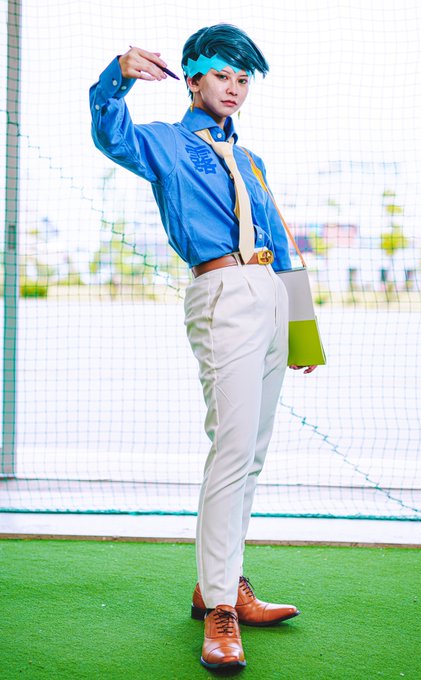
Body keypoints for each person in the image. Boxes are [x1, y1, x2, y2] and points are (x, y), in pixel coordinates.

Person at [90, 23, 317, 671]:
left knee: (252, 455)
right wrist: (117, 77)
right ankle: (220, 607)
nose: (234, 87)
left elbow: (278, 238)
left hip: (271, 294)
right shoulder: (165, 143)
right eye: (222, 74)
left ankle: (220, 582)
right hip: (220, 292)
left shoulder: (252, 160)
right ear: (191, 78)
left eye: (243, 78)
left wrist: (301, 328)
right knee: (231, 449)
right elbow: (110, 133)